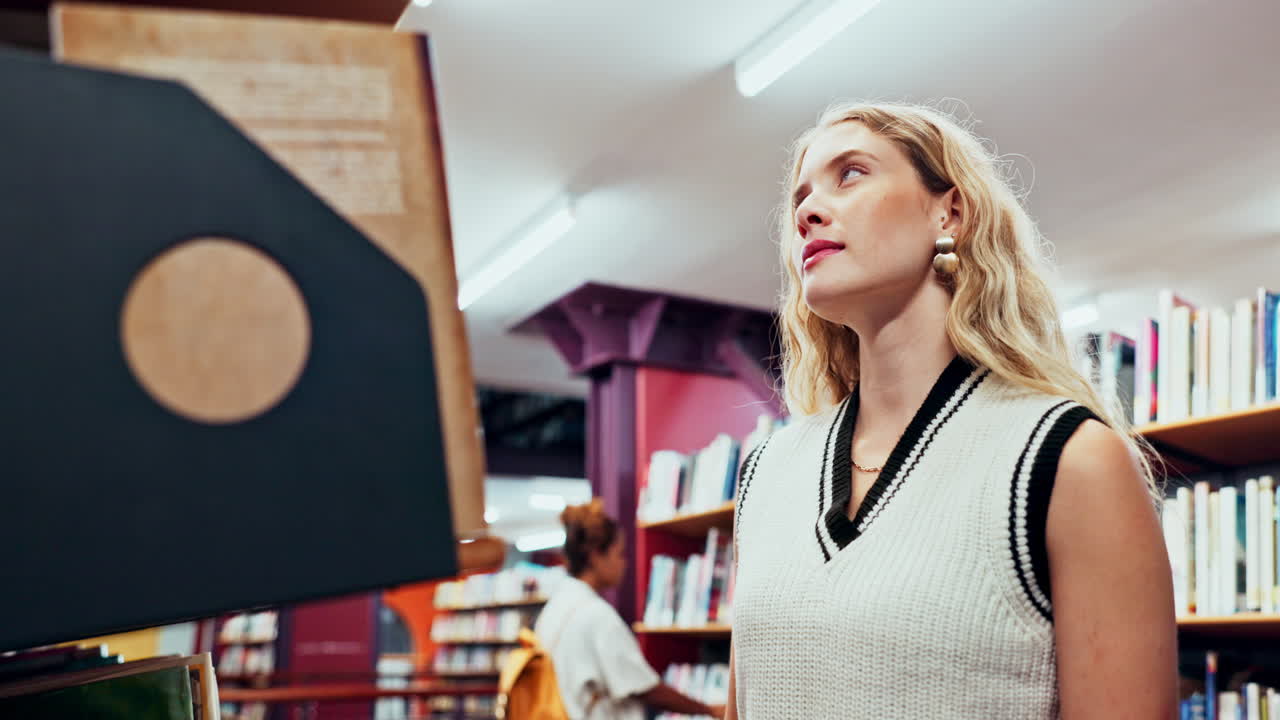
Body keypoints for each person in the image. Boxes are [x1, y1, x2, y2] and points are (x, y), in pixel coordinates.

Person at [725, 102, 1177, 719]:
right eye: (800, 195)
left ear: (950, 211)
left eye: (851, 173)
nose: (805, 211)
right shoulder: (766, 472)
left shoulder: (1067, 458)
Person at [534, 499, 725, 720]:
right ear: (596, 555)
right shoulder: (595, 615)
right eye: (619, 553)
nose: (623, 564)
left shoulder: (554, 608)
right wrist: (709, 710)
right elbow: (643, 687)